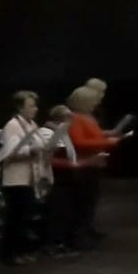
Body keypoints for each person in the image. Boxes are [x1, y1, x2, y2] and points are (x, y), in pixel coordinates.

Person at [67, 85, 122, 246]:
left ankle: (85, 233)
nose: (95, 104)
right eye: (92, 101)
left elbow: (92, 136)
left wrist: (105, 137)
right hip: (85, 166)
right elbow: (79, 142)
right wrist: (106, 141)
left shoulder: (87, 117)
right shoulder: (76, 119)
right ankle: (78, 237)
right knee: (84, 202)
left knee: (90, 202)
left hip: (94, 164)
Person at [0, 91, 49, 265]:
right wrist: (31, 151)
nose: (35, 109)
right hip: (15, 178)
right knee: (15, 217)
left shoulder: (32, 124)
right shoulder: (12, 125)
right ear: (20, 107)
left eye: (35, 105)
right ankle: (9, 253)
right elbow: (10, 152)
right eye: (31, 106)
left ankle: (20, 250)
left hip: (29, 177)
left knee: (24, 217)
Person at [39, 105, 79, 257]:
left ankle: (61, 241)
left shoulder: (63, 133)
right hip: (55, 177)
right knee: (55, 211)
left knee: (64, 211)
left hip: (66, 178)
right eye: (68, 118)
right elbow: (48, 155)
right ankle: (51, 243)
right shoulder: (47, 132)